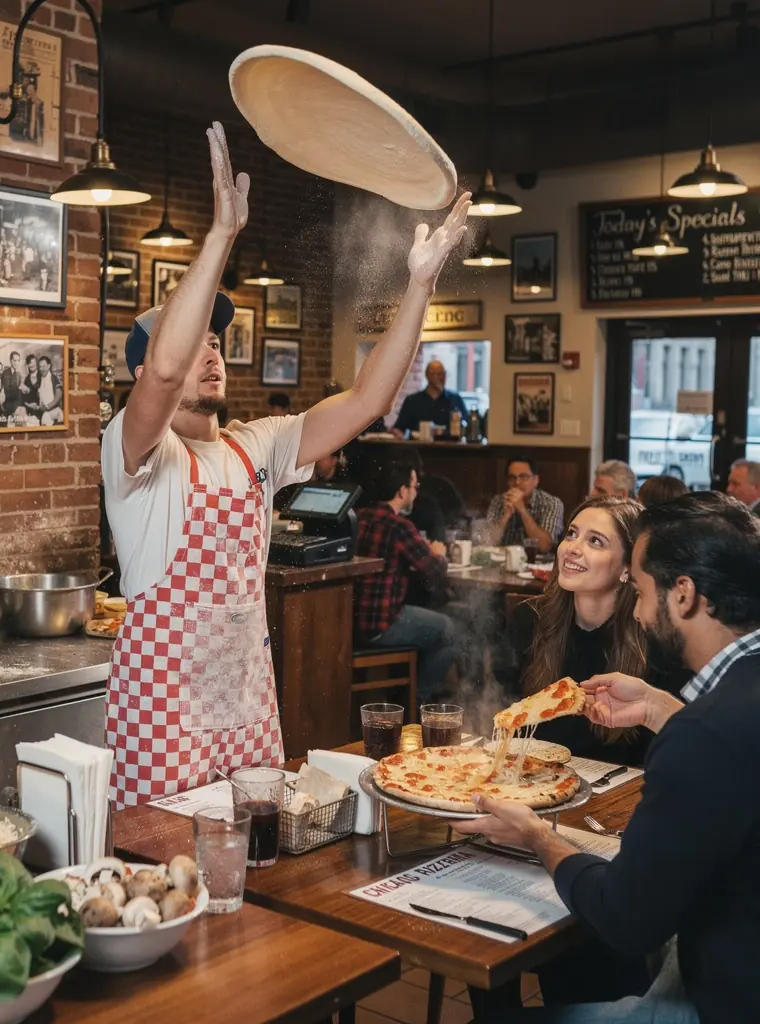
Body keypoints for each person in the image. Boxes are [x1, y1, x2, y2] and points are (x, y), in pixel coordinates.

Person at [100, 120, 471, 806]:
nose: (211, 353)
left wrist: (419, 286)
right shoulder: (137, 450)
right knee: (170, 876)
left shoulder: (257, 443)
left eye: (218, 340)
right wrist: (220, 237)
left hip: (246, 705)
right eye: (197, 344)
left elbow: (367, 399)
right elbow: (160, 376)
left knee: (254, 883)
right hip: (162, 714)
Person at [456, 491, 760, 1024]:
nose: (639, 611)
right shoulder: (723, 708)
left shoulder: (704, 734)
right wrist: (661, 709)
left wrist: (538, 835)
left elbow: (626, 919)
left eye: (641, 590)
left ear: (683, 595)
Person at [494, 495, 688, 765]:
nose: (572, 548)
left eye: (595, 541)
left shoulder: (657, 639)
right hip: (532, 778)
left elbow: (675, 748)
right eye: (571, 534)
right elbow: (503, 711)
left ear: (626, 568)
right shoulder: (529, 619)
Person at [353, 461, 457, 693]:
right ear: (402, 491)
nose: (416, 492)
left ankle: (405, 695)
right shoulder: (400, 526)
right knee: (448, 629)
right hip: (380, 625)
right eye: (414, 486)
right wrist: (439, 554)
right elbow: (435, 571)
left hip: (350, 624)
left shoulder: (357, 516)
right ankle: (419, 700)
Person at [486, 457, 564, 553]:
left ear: (536, 480)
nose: (517, 482)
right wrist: (506, 515)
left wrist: (522, 510)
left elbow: (545, 546)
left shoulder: (551, 503)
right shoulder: (498, 501)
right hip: (503, 561)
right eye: (512, 477)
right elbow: (488, 542)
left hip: (537, 563)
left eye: (524, 477)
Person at [391, 359, 468, 436]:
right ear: (427, 376)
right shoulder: (412, 401)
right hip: (418, 446)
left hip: (450, 446)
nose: (441, 378)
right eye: (436, 374)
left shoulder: (456, 399)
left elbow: (466, 426)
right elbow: (398, 428)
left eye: (443, 374)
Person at [34, 354, 64, 426]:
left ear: (49, 366)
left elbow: (59, 396)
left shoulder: (53, 378)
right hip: (44, 411)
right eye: (40, 367)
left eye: (44, 366)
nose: (41, 369)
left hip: (55, 410)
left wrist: (47, 407)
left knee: (45, 417)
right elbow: (39, 396)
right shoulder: (40, 379)